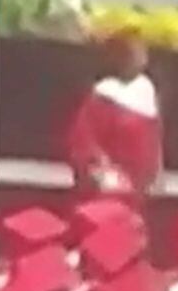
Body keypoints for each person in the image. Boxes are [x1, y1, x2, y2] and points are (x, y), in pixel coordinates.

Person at [64, 31, 164, 203]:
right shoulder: (103, 97)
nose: (142, 57)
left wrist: (157, 172)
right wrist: (102, 170)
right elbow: (85, 140)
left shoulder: (146, 90)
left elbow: (154, 137)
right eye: (136, 52)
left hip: (139, 187)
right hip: (108, 187)